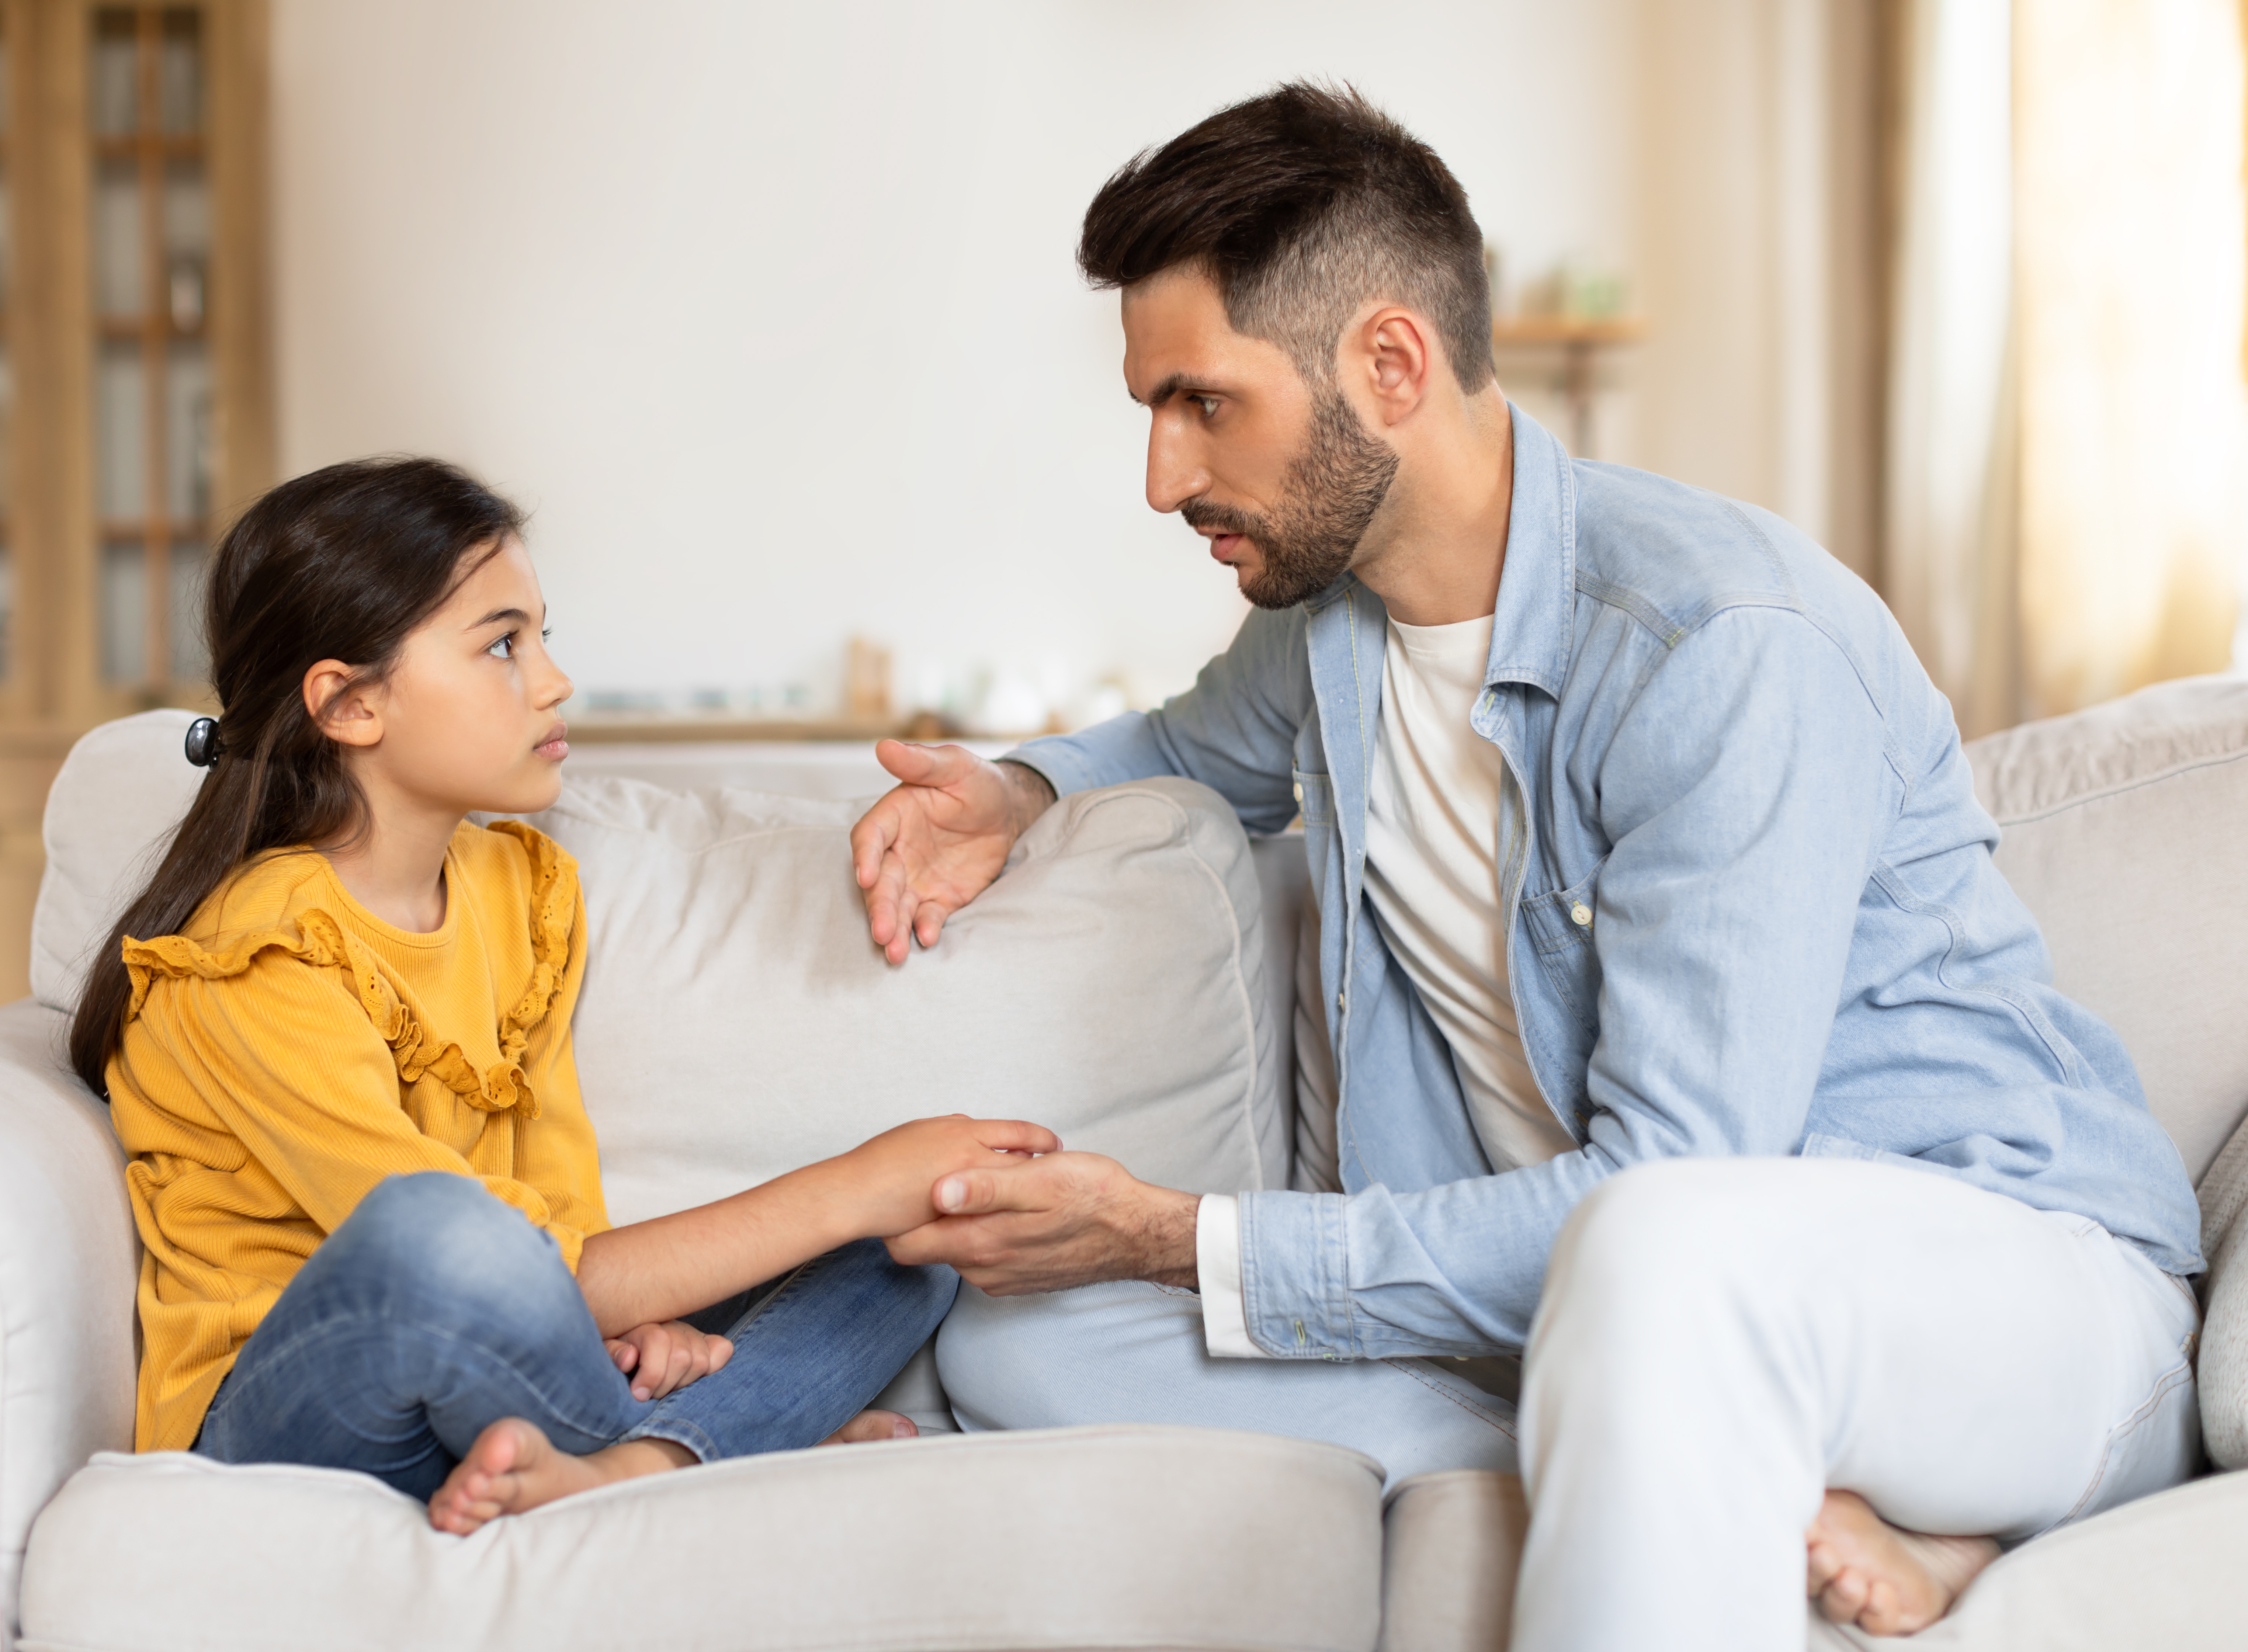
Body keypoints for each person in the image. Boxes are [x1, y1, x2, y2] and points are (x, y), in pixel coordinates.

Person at [849, 85, 2203, 1650]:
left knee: (1662, 1244)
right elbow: (1176, 747)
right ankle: (1727, 1473)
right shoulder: (1329, 626)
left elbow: (1685, 1175)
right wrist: (1012, 790)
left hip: (2007, 1292)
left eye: (1203, 403)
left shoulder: (1723, 649)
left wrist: (1182, 1231)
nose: (1162, 478)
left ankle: (1825, 1468)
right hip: (1618, 1311)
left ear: (1390, 364)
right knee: (1025, 1340)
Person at [67, 457, 1058, 1534]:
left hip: (507, 1367)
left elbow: (558, 1217)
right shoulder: (254, 957)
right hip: (295, 1423)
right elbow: (493, 1264)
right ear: (350, 704)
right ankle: (715, 1454)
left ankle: (634, 1467)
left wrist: (848, 1217)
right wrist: (852, 1181)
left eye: (543, 635)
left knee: (907, 1249)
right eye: (502, 644)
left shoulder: (518, 892)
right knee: (438, 1233)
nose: (553, 680)